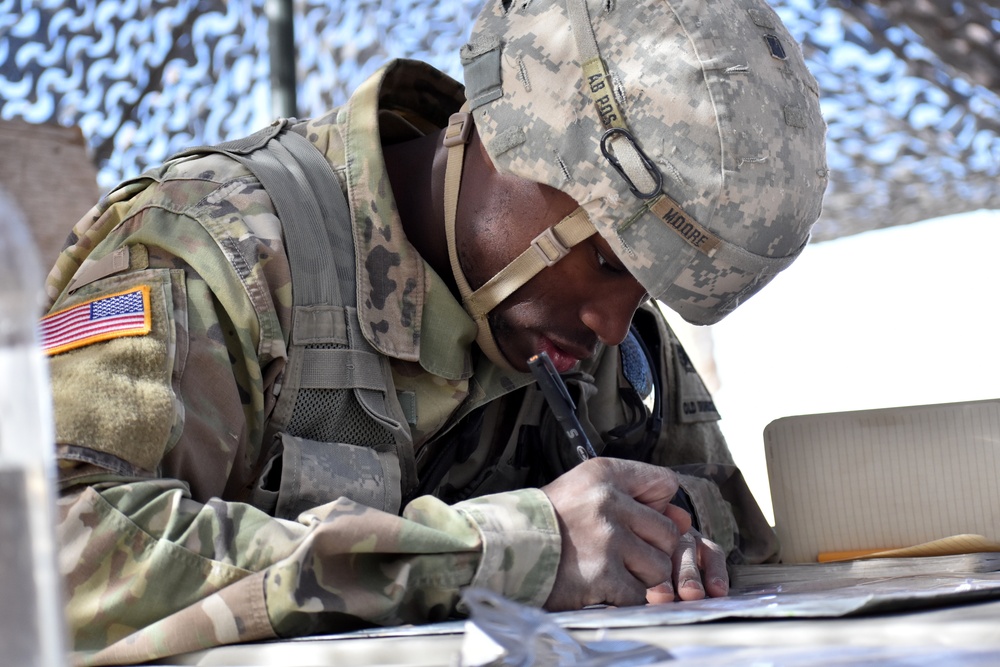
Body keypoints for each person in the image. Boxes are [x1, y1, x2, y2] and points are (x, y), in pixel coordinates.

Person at [43, 0, 827, 663]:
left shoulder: (597, 330)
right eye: (606, 259)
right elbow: (51, 564)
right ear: (516, 144)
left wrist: (672, 543)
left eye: (646, 284)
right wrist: (501, 551)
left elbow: (738, 548)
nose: (614, 323)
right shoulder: (222, 250)